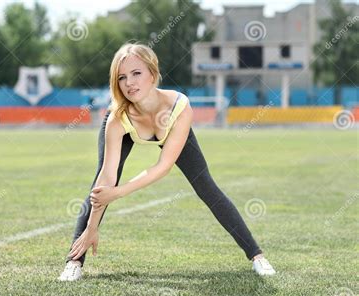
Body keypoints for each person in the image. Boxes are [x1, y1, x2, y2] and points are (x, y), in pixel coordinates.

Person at [58, 43, 276, 281]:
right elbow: (106, 180)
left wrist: (118, 193)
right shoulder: (117, 119)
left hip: (168, 127)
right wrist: (92, 228)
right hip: (129, 126)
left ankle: (257, 256)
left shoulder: (179, 107)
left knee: (205, 186)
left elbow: (163, 166)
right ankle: (74, 263)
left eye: (136, 73)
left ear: (153, 74)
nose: (129, 83)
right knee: (100, 186)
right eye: (122, 77)